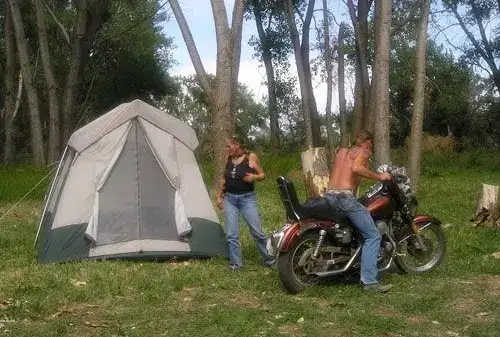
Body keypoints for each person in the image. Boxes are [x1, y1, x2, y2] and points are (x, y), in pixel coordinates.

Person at [325, 130, 393, 293]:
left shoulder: (342, 152)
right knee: (373, 235)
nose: (371, 147)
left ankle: (353, 263)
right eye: (371, 144)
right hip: (344, 198)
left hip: (329, 196)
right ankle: (369, 282)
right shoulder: (363, 151)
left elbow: (345, 170)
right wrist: (379, 177)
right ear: (368, 142)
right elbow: (356, 168)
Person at [216, 135, 275, 271]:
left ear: (237, 145)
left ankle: (269, 260)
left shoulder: (250, 157)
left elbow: (262, 175)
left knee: (257, 232)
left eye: (228, 146)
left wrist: (254, 177)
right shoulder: (228, 158)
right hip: (230, 199)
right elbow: (224, 179)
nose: (227, 149)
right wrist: (220, 196)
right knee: (231, 234)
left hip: (247, 199)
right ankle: (236, 265)